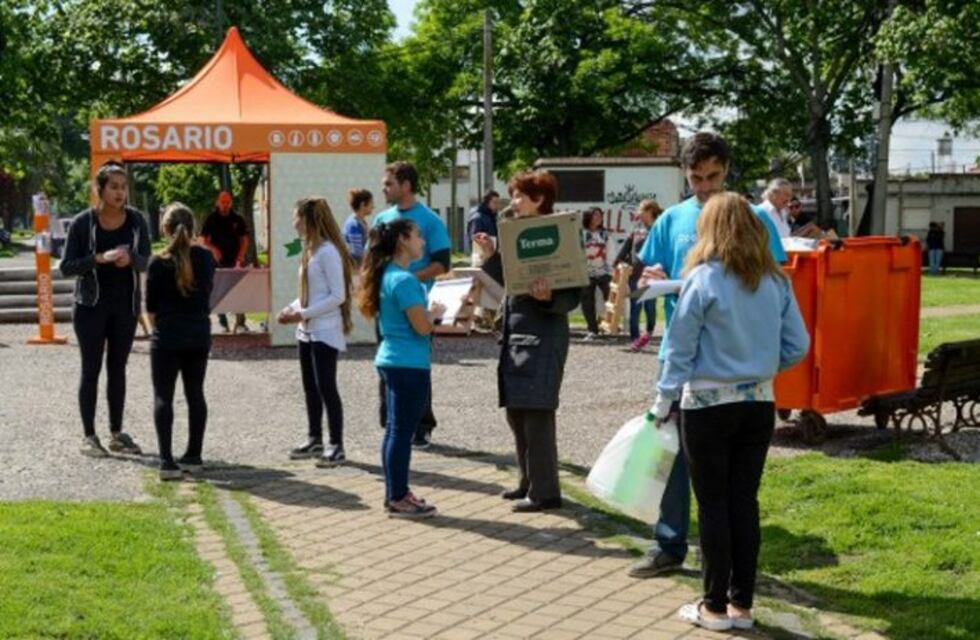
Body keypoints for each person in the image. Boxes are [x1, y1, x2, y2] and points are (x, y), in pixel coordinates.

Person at [630, 132, 788, 578]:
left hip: (731, 357)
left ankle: (717, 553)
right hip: (681, 355)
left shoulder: (753, 217)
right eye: (696, 178)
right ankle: (669, 542)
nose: (704, 187)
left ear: (727, 171)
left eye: (713, 177)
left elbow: (775, 279)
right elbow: (641, 280)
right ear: (684, 174)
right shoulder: (673, 219)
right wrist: (652, 276)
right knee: (673, 451)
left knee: (725, 467)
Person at [653, 193, 809, 630]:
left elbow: (679, 351)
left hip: (706, 405)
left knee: (713, 505)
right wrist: (760, 367)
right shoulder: (775, 281)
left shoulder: (702, 280)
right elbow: (798, 345)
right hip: (757, 403)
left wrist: (661, 402)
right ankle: (742, 604)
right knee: (745, 501)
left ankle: (713, 606)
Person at [473, 170, 582, 513]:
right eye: (513, 195)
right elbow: (505, 281)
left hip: (544, 334)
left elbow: (574, 293)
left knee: (537, 412)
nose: (513, 202)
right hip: (516, 333)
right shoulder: (514, 233)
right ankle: (527, 481)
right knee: (517, 411)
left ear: (539, 199)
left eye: (519, 196)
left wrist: (550, 296)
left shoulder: (561, 233)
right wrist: (491, 253)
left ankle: (546, 492)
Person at [60, 161, 151, 458]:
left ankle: (116, 432)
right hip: (90, 307)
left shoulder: (137, 221)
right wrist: (99, 258)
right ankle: (89, 436)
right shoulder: (83, 223)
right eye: (113, 186)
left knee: (118, 370)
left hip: (125, 307)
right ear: (99, 190)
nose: (120, 192)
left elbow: (147, 260)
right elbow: (66, 267)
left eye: (123, 187)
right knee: (91, 370)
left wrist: (132, 260)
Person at [358, 218, 445, 518]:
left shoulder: (390, 275)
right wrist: (436, 313)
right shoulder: (405, 280)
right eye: (419, 235)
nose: (423, 241)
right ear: (403, 240)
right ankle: (397, 496)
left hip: (394, 359)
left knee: (395, 430)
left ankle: (395, 493)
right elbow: (421, 327)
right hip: (408, 363)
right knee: (402, 433)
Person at [373, 162, 451, 448]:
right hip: (389, 304)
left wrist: (407, 279)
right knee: (388, 361)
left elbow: (442, 263)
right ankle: (391, 423)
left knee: (417, 364)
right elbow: (373, 262)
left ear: (406, 185)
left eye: (389, 183)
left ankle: (422, 425)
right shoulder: (381, 218)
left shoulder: (429, 220)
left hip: (417, 303)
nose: (384, 188)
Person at [277, 197, 354, 467]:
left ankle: (337, 443)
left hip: (325, 330)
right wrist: (291, 309)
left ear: (308, 219)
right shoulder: (310, 251)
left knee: (326, 387)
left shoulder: (328, 252)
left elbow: (337, 296)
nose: (293, 222)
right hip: (306, 331)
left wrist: (304, 314)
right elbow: (309, 295)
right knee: (310, 387)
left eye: (296, 216)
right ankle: (314, 438)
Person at [145, 203, 216, 481]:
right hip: (198, 333)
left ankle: (166, 461)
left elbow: (150, 307)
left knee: (164, 396)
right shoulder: (206, 258)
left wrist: (156, 331)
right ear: (194, 227)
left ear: (164, 229)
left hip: (168, 335)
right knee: (195, 393)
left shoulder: (158, 262)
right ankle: (194, 455)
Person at [614, 199, 662, 351]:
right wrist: (617, 260)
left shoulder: (658, 228)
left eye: (642, 210)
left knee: (650, 306)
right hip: (635, 273)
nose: (639, 213)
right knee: (635, 306)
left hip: (651, 274)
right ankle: (635, 337)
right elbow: (627, 245)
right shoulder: (636, 227)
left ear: (649, 211)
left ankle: (649, 332)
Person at [201, 191, 250, 333]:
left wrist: (241, 256)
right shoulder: (211, 219)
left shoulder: (237, 218)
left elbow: (245, 239)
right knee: (218, 290)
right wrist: (214, 250)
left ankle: (240, 322)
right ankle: (223, 323)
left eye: (227, 202)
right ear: (217, 202)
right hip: (216, 262)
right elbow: (204, 240)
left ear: (231, 203)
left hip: (235, 260)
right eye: (222, 202)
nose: (225, 205)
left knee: (238, 290)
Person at [580, 207, 613, 341]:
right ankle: (592, 330)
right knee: (587, 302)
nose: (598, 218)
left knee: (610, 300)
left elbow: (611, 253)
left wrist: (610, 270)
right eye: (595, 215)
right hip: (586, 272)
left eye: (600, 215)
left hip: (603, 272)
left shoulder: (605, 235)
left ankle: (609, 328)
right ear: (588, 217)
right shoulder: (581, 234)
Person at [467, 189, 500, 266]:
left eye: (498, 203)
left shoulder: (493, 217)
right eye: (494, 202)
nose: (497, 206)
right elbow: (475, 239)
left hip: (492, 256)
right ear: (487, 203)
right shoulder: (478, 218)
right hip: (481, 258)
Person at [343, 189, 373, 264]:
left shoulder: (361, 221)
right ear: (363, 205)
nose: (373, 206)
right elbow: (357, 252)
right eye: (371, 203)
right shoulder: (353, 224)